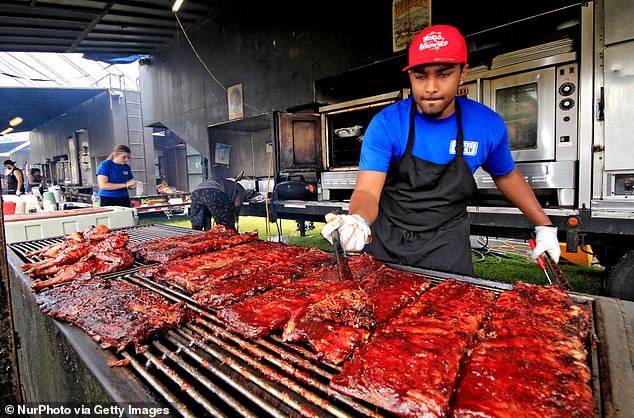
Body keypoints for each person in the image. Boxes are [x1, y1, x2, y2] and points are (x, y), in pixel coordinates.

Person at [321, 24, 560, 275]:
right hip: (387, 240)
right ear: (410, 75)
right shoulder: (387, 124)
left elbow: (505, 174)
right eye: (420, 76)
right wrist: (358, 220)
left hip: (447, 243)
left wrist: (543, 226)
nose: (431, 87)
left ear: (462, 72)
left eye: (444, 74)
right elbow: (368, 190)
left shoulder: (486, 125)